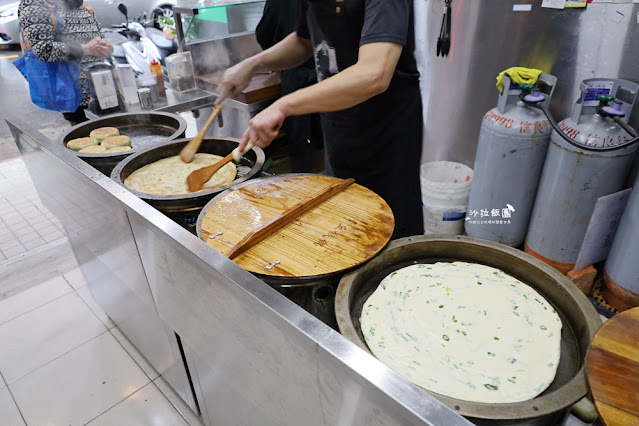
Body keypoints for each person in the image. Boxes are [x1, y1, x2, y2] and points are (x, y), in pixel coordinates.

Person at [217, 0, 423, 238]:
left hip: (386, 132)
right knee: (347, 223)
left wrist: (284, 105)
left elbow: (374, 74)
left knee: (391, 228)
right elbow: (304, 40)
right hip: (339, 124)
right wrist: (253, 63)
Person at [18, 0, 112, 125]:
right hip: (75, 94)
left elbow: (97, 36)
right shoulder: (33, 4)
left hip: (104, 88)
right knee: (87, 139)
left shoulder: (80, 3)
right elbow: (44, 49)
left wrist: (106, 46)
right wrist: (86, 49)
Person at [254, 0, 322, 173]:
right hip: (316, 82)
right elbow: (303, 40)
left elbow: (265, 35)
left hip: (301, 80)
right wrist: (251, 65)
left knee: (306, 159)